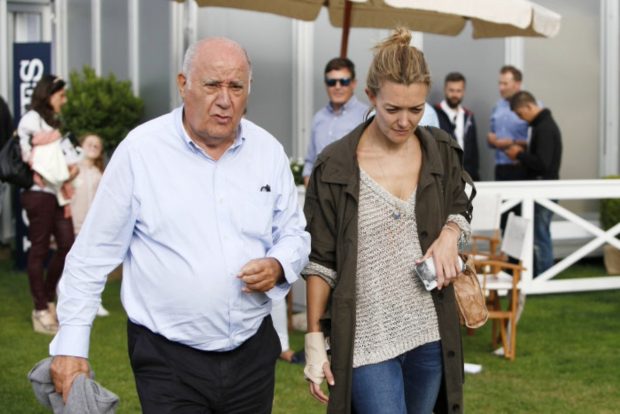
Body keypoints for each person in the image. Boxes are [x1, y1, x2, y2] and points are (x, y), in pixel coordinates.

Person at [49, 37, 310, 413]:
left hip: (253, 353)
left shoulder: (268, 151)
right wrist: (71, 347)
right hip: (168, 359)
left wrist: (279, 264)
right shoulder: (141, 152)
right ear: (183, 84)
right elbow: (91, 256)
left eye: (236, 87)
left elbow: (294, 233)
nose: (225, 99)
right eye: (212, 85)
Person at [302, 28, 474, 414]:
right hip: (365, 337)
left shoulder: (441, 151)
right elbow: (320, 260)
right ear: (371, 96)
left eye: (415, 109)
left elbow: (461, 207)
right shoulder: (335, 165)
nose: (404, 121)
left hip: (430, 331)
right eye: (392, 109)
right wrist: (315, 339)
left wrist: (450, 233)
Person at [17, 75, 78, 335]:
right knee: (40, 249)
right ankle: (40, 308)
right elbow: (29, 155)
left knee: (67, 245)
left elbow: (67, 159)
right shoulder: (31, 119)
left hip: (57, 194)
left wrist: (68, 169)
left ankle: (48, 299)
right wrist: (61, 166)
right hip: (39, 193)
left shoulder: (55, 123)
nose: (64, 100)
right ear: (49, 94)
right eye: (61, 95)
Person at [506, 91, 562, 276]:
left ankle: (543, 275)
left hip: (543, 189)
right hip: (543, 189)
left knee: (540, 235)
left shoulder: (544, 127)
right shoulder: (543, 125)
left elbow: (543, 164)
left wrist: (519, 154)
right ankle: (540, 274)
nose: (521, 119)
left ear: (529, 106)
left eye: (521, 114)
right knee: (539, 233)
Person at [302, 57, 368, 186]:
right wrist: (308, 183)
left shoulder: (366, 116)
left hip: (352, 193)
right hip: (319, 195)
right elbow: (310, 160)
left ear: (353, 83)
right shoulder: (318, 118)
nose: (337, 87)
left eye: (344, 81)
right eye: (332, 82)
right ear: (326, 84)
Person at [70, 133, 109, 316]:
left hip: (92, 227)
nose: (93, 146)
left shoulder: (101, 173)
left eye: (97, 145)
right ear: (82, 145)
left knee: (93, 265)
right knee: (70, 262)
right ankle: (66, 296)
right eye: (89, 143)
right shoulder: (72, 168)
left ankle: (94, 302)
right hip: (72, 223)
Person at [434, 72, 480, 180]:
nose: (455, 95)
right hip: (443, 176)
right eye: (451, 90)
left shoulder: (468, 116)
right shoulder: (434, 113)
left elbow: (474, 151)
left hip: (466, 176)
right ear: (445, 90)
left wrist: (474, 175)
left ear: (464, 91)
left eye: (458, 91)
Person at [487, 65, 528, 181]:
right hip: (500, 168)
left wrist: (512, 142)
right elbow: (492, 135)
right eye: (500, 83)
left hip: (521, 167)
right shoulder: (497, 106)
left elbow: (537, 143)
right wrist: (491, 140)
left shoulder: (530, 106)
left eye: (505, 84)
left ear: (517, 84)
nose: (501, 88)